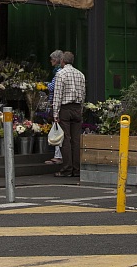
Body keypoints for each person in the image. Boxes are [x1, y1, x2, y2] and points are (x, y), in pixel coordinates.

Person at [51, 50, 86, 179]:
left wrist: (55, 113)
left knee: (66, 139)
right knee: (76, 140)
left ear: (62, 61)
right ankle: (77, 169)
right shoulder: (80, 74)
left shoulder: (61, 74)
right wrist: (80, 109)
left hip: (65, 109)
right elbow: (83, 94)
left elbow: (57, 95)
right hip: (77, 108)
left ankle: (66, 169)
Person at [43, 50, 64, 167]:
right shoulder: (59, 71)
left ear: (56, 60)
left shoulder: (59, 72)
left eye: (52, 59)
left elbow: (53, 87)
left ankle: (58, 156)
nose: (51, 61)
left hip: (57, 105)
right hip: (59, 105)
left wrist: (42, 85)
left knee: (57, 129)